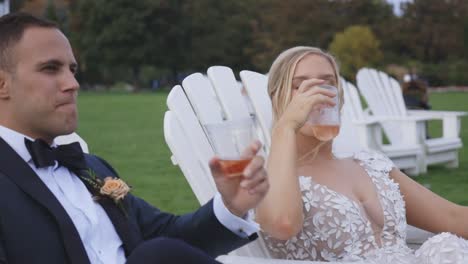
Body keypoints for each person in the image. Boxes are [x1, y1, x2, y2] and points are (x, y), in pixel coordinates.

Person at [0, 13, 269, 264]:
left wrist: (231, 206)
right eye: (50, 68)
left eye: (72, 70)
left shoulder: (92, 168)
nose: (72, 83)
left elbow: (170, 238)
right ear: (2, 84)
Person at [255, 46, 468, 263]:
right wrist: (286, 126)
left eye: (327, 84)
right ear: (276, 98)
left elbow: (453, 217)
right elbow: (282, 223)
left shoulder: (369, 165)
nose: (318, 94)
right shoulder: (265, 180)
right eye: (300, 86)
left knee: (446, 246)